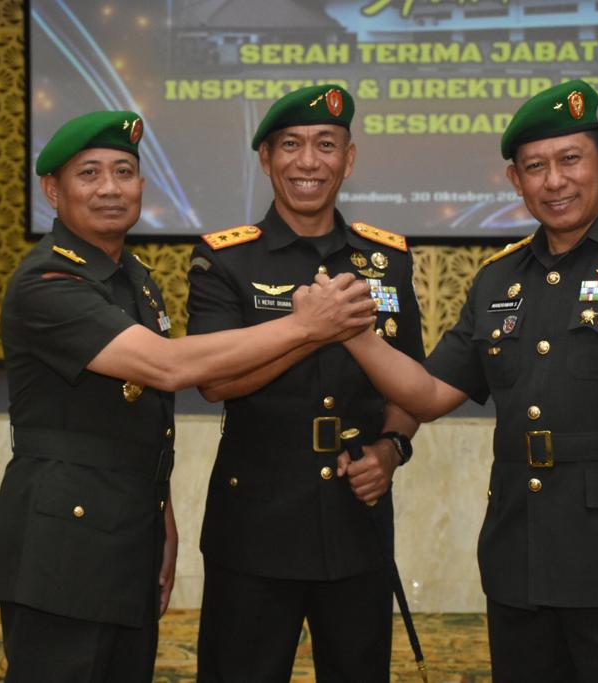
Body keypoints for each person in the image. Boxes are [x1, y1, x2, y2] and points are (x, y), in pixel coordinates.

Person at [339, 80, 598, 682]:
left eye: (570, 159)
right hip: (519, 562)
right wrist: (351, 333)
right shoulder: (499, 279)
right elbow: (428, 395)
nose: (555, 181)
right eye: (535, 167)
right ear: (514, 180)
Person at [0, 110, 377, 683]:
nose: (111, 188)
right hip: (60, 546)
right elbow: (165, 368)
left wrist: (161, 514)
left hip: (128, 531)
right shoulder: (49, 282)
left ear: (142, 185)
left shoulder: (133, 278)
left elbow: (136, 417)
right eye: (89, 173)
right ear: (52, 191)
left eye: (124, 172)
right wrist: (305, 327)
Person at [186, 85, 425, 682]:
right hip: (256, 524)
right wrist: (311, 332)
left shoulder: (387, 260)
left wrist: (392, 449)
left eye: (326, 144)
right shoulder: (225, 260)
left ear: (350, 158)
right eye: (291, 145)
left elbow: (409, 386)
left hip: (356, 520)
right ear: (266, 159)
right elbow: (215, 381)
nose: (309, 162)